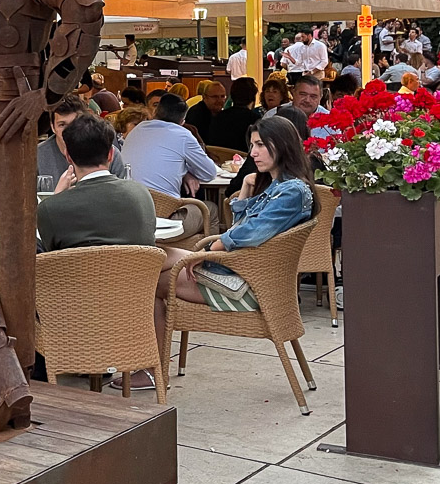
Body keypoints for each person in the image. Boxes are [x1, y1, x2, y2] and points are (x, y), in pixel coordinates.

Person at [153, 115, 315, 329]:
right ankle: (149, 358)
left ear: (283, 145)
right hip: (238, 272)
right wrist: (247, 188)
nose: (253, 153)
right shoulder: (280, 187)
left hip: (245, 285)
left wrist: (212, 248)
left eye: (260, 145)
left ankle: (147, 358)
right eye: (252, 145)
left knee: (148, 280)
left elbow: (250, 233)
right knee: (154, 258)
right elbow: (239, 230)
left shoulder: (292, 191)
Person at [37, 114, 157, 252]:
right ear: (111, 154)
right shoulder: (142, 193)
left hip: (75, 273)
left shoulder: (50, 209)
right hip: (138, 272)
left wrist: (56, 197)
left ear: (68, 157)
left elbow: (48, 255)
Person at [120, 93, 219, 233]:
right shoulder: (182, 135)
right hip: (165, 221)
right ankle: (202, 254)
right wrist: (187, 172)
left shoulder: (137, 130)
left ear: (155, 112)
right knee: (211, 210)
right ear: (182, 121)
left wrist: (184, 172)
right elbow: (209, 173)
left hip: (130, 216)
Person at [38, 94, 128, 187]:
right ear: (53, 127)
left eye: (74, 124)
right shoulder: (38, 156)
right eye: (62, 125)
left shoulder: (106, 152)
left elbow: (122, 191)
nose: (68, 131)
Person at [208, 76, 261, 151]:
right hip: (243, 159)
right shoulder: (255, 120)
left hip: (220, 158)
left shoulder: (218, 117)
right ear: (252, 97)